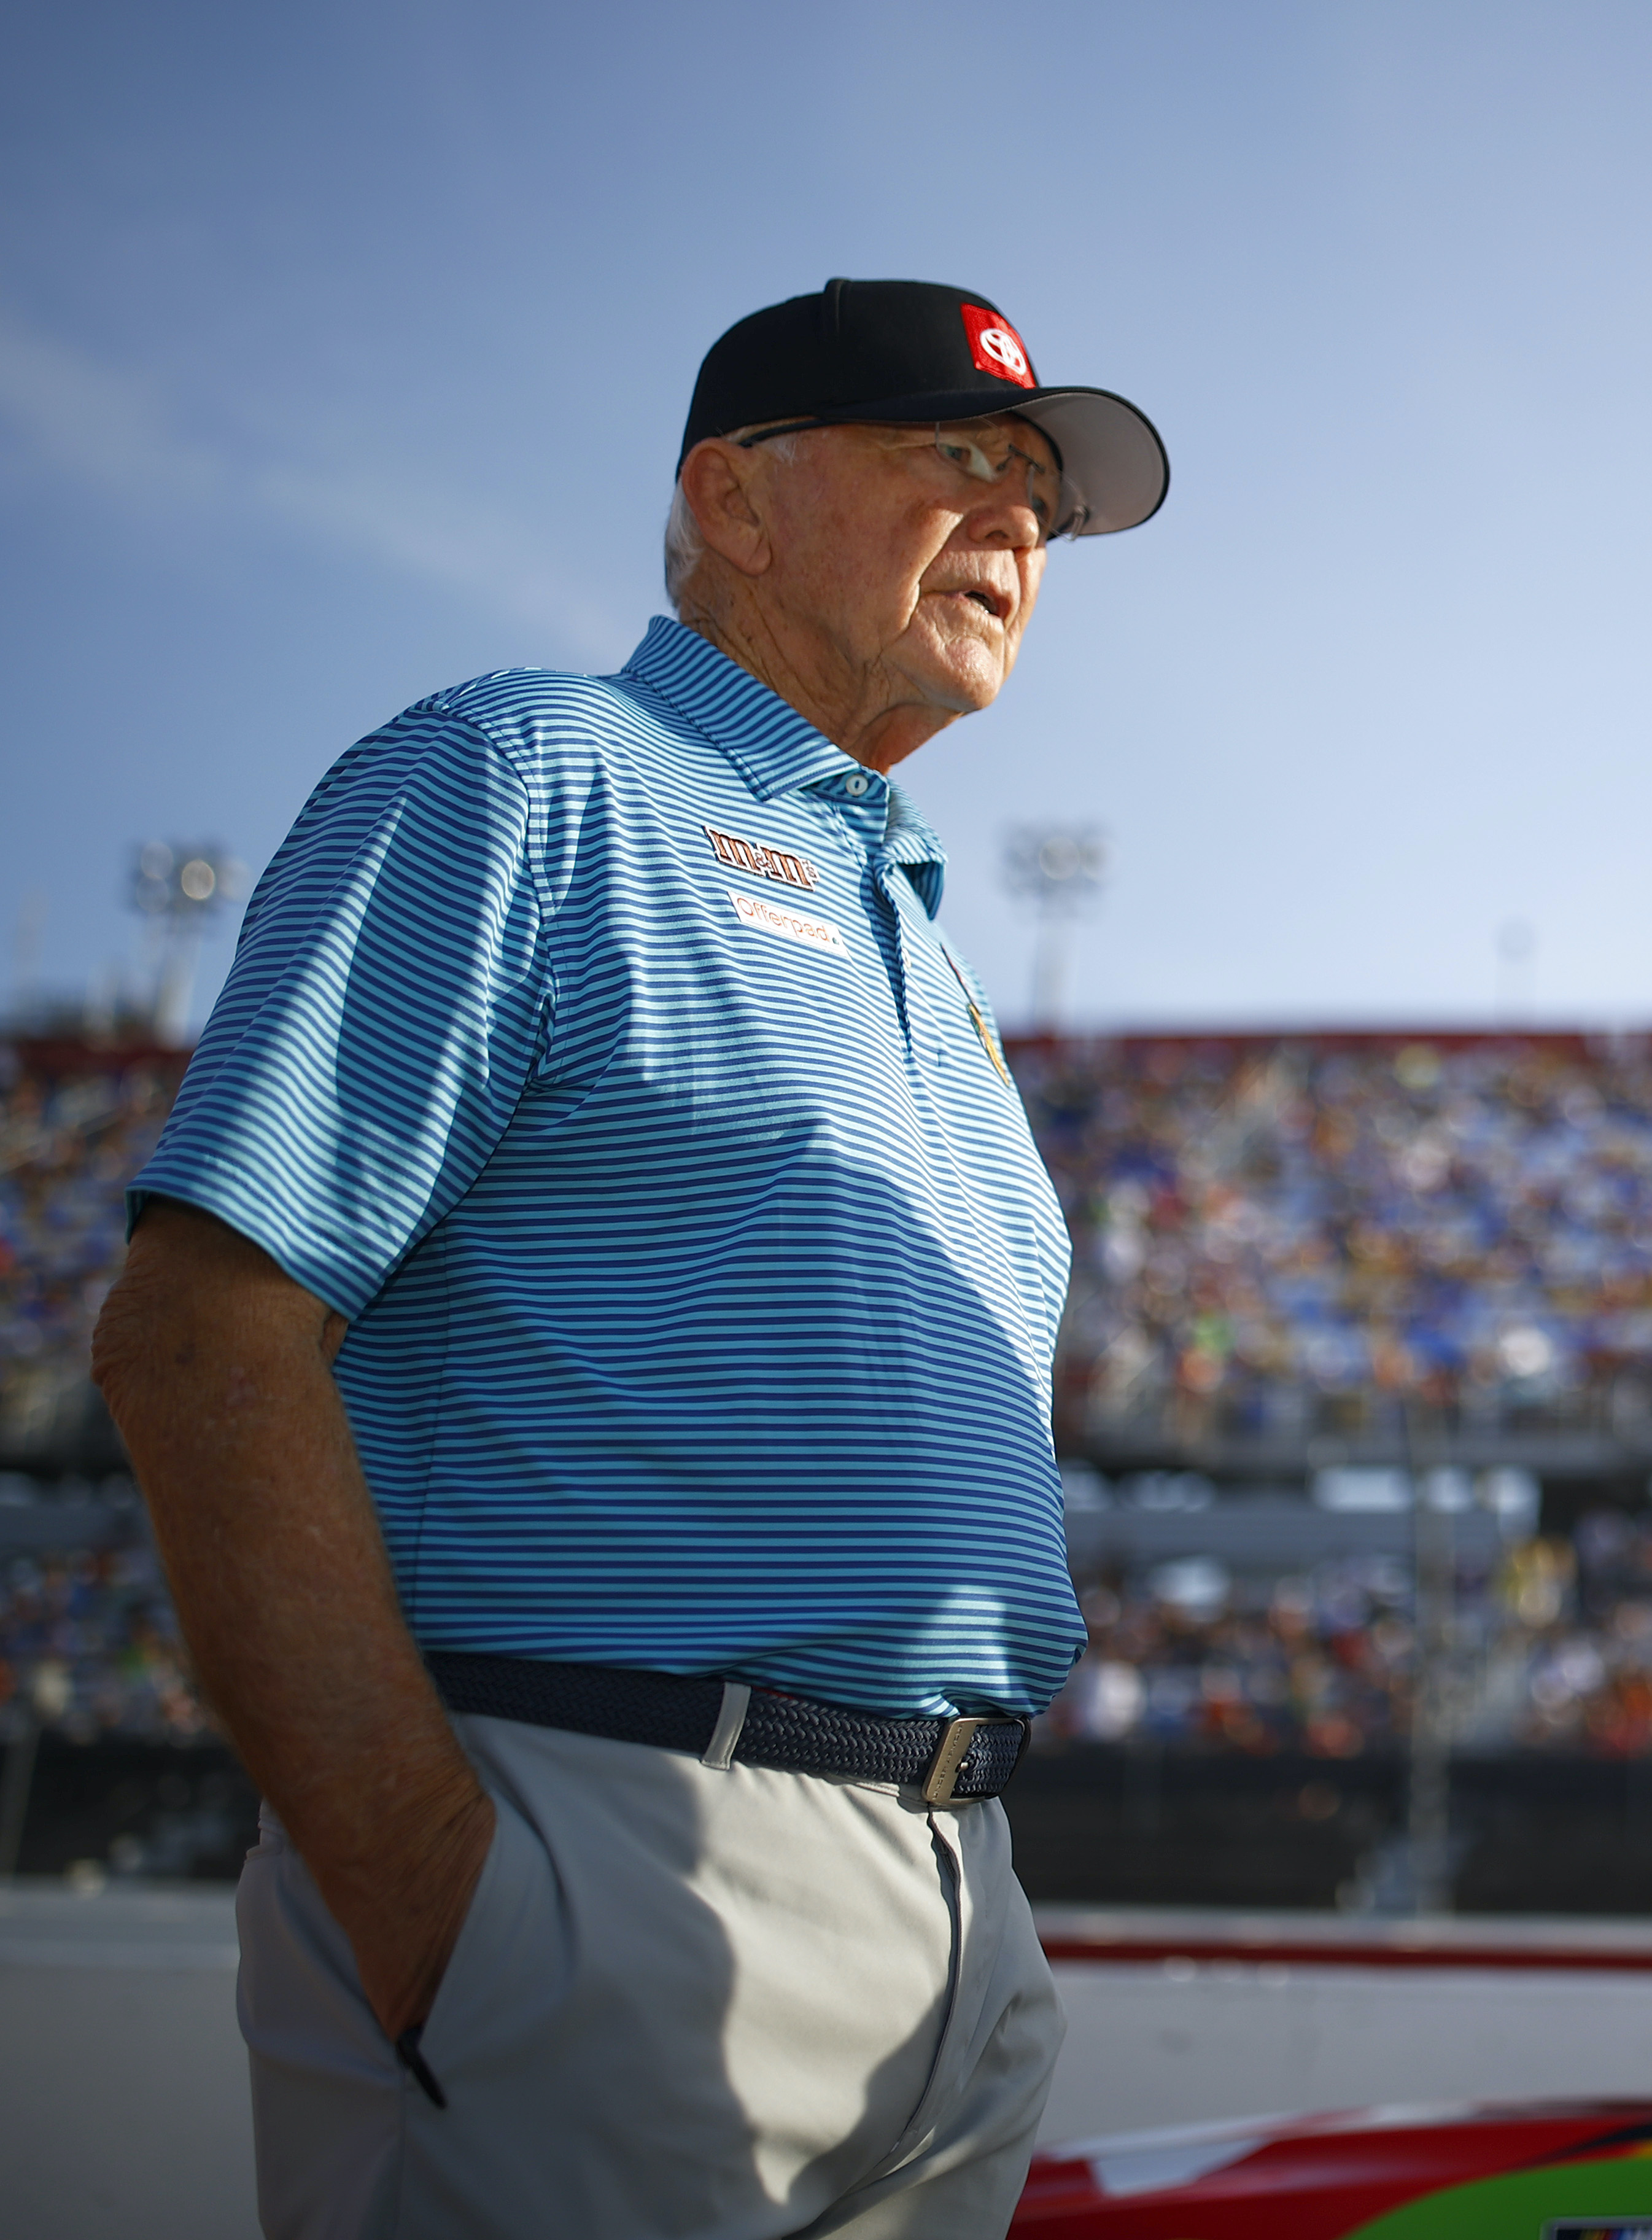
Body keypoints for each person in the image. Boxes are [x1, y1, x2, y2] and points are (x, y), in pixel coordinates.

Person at [89, 278, 1167, 2237]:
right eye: (958, 460)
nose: (1018, 521)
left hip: (951, 1900)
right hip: (601, 1841)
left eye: (1043, 496)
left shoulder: (930, 944)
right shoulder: (526, 772)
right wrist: (440, 1906)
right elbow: (199, 1334)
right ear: (734, 503)